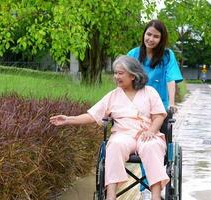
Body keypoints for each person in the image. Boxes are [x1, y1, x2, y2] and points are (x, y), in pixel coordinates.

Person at [50, 55, 169, 200]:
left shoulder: (149, 91)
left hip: (146, 133)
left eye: (120, 73)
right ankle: (111, 196)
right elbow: (93, 115)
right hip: (123, 134)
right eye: (115, 73)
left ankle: (155, 196)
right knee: (114, 145)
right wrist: (69, 119)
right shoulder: (113, 95)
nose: (116, 76)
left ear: (132, 75)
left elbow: (159, 116)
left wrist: (151, 131)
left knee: (152, 146)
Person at [127, 19, 183, 199]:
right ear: (144, 34)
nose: (151, 39)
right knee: (141, 142)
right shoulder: (134, 54)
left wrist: (171, 103)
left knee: (152, 145)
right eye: (148, 34)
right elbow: (123, 78)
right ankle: (147, 187)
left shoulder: (167, 56)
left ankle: (150, 186)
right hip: (137, 108)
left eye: (156, 36)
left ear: (161, 39)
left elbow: (170, 79)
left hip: (159, 108)